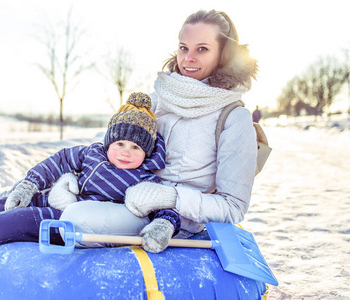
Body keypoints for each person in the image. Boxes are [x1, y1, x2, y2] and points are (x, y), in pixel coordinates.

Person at [0, 92, 180, 281]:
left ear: (147, 152)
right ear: (109, 141)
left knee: (16, 220)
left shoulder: (144, 178)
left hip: (68, 220)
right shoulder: (91, 153)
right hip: (50, 199)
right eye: (120, 143)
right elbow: (56, 162)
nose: (125, 152)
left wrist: (163, 225)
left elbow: (166, 207)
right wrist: (30, 183)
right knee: (2, 202)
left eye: (135, 147)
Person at [59, 9, 258, 253]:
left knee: (76, 219)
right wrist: (72, 178)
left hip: (172, 220)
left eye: (202, 49)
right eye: (184, 48)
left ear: (224, 55)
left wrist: (170, 198)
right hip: (120, 196)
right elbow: (114, 147)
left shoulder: (234, 118)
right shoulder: (157, 101)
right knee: (41, 195)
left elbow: (233, 206)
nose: (188, 58)